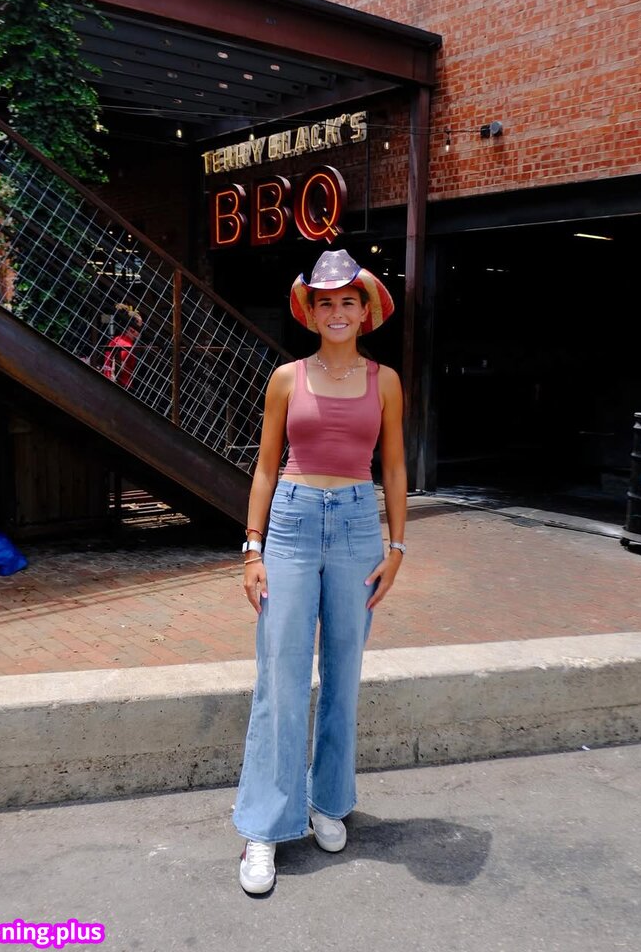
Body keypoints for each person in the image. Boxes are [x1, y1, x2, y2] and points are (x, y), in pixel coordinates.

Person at [234, 248, 407, 894]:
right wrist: (252, 549)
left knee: (343, 673)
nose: (337, 311)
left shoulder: (385, 381)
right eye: (325, 302)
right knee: (279, 677)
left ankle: (328, 800)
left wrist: (397, 548)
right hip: (293, 524)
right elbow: (264, 466)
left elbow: (394, 466)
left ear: (365, 311)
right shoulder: (287, 379)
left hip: (359, 527)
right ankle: (264, 825)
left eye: (347, 301)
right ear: (311, 312)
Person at [102, 303, 143, 389]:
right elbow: (119, 366)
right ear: (132, 329)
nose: (140, 332)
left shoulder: (116, 339)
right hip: (120, 385)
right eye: (139, 328)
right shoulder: (128, 345)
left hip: (107, 377)